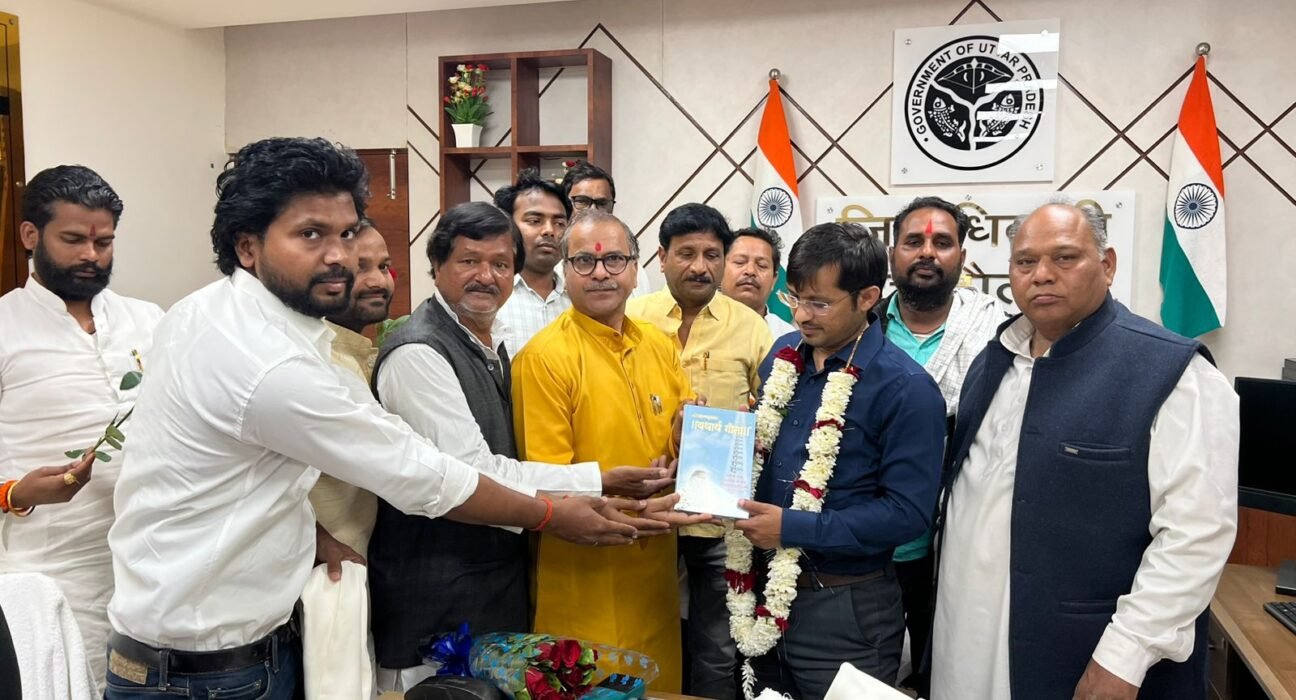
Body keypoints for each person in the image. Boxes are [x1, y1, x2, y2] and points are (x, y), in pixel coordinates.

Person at [104, 137, 650, 699]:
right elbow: (425, 476)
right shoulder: (271, 364)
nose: (339, 257)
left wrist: (312, 535)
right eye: (310, 234)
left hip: (219, 646)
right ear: (248, 245)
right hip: (208, 673)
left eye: (346, 234)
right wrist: (551, 514)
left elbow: (233, 470)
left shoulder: (209, 311)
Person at [931, 201, 1239, 700]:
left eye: (1065, 257)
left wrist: (1125, 655)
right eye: (1025, 262)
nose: (1042, 275)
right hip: (963, 642)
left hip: (1087, 654)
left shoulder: (1174, 373)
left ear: (1107, 265)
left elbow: (1196, 535)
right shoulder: (993, 361)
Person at [368, 201, 681, 690]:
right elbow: (472, 474)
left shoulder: (489, 346)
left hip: (497, 593)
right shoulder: (420, 352)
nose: (486, 276)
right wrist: (596, 490)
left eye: (500, 264)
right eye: (469, 261)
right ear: (436, 266)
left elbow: (504, 465)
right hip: (437, 600)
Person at [736, 222, 945, 700]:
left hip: (847, 608)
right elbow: (761, 457)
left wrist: (793, 528)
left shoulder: (905, 388)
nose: (801, 316)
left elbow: (908, 514)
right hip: (764, 596)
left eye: (820, 303)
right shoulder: (781, 358)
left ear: (868, 297)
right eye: (794, 298)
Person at [512, 211, 697, 693]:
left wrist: (690, 448)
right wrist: (636, 509)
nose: (600, 273)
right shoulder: (544, 358)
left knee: (659, 688)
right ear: (565, 272)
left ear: (635, 269)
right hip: (584, 572)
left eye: (614, 259)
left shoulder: (658, 345)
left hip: (655, 570)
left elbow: (679, 440)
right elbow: (549, 483)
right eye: (584, 262)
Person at [0, 165, 164, 691]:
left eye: (104, 241)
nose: (92, 255)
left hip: (150, 566)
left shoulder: (149, 321)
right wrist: (14, 493)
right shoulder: (5, 328)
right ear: (31, 235)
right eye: (73, 240)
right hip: (49, 575)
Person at [627, 203, 772, 699]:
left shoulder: (750, 326)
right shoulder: (633, 317)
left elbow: (773, 412)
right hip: (647, 507)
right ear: (662, 257)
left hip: (720, 518)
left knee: (717, 647)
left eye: (712, 254)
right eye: (686, 253)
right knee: (641, 632)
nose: (699, 266)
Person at [879, 196, 1002, 695]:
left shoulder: (996, 334)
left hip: (956, 538)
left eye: (942, 242)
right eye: (914, 241)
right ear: (892, 253)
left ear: (962, 256)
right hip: (866, 540)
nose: (927, 252)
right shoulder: (861, 325)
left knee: (945, 673)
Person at [308, 221, 395, 559]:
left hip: (359, 558)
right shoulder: (316, 362)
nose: (378, 282)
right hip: (317, 568)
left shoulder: (358, 353)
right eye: (360, 269)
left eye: (383, 267)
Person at [495, 168, 573, 351]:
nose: (549, 230)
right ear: (507, 225)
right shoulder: (491, 296)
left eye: (559, 223)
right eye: (535, 221)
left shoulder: (578, 300)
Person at [722, 226, 795, 338]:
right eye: (740, 262)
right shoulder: (697, 324)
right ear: (720, 269)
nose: (750, 271)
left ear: (774, 280)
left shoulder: (788, 337)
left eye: (762, 265)